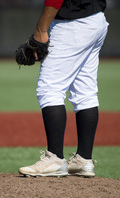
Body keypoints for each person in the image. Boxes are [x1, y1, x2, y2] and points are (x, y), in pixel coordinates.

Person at [18, 0, 109, 177]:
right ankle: (83, 160)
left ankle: (55, 159)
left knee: (49, 89)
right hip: (96, 19)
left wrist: (41, 29)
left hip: (72, 24)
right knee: (85, 91)